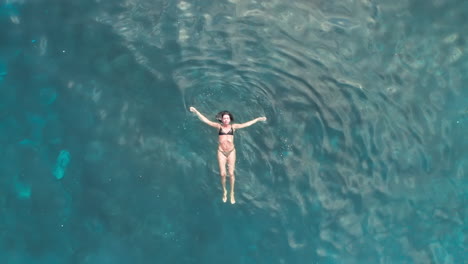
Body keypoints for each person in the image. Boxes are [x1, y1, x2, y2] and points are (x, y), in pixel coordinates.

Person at [189, 107, 267, 204]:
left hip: (231, 152)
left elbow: (246, 124)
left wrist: (258, 119)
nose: (226, 119)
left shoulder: (234, 127)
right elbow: (206, 121)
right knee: (222, 174)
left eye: (227, 118)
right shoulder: (218, 126)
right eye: (224, 118)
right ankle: (224, 191)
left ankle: (232, 192)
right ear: (222, 119)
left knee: (231, 173)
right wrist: (196, 112)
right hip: (221, 152)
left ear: (230, 119)